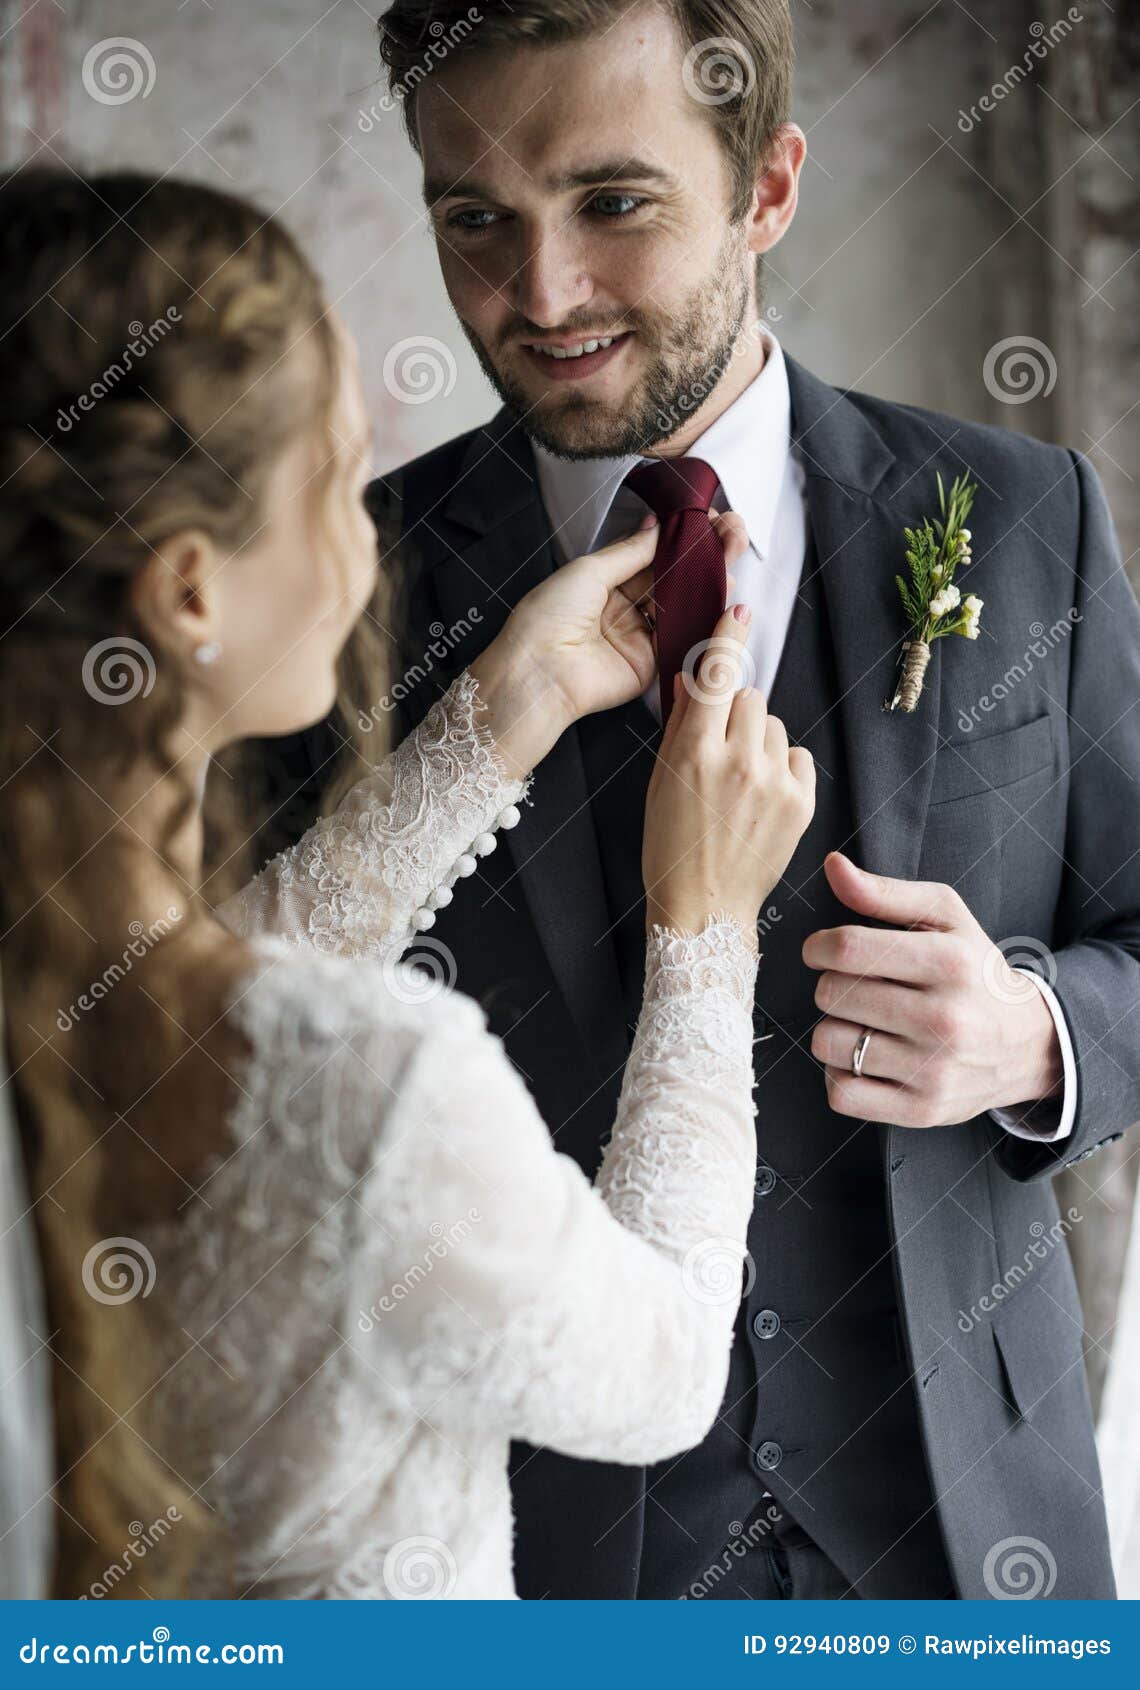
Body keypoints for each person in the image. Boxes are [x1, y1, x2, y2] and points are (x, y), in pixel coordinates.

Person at [346, 0, 1140, 1599]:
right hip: (544, 1556)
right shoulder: (354, 580)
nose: (543, 292)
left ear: (768, 188)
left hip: (971, 1539)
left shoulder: (1021, 512)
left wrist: (1035, 1035)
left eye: (614, 203)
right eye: (475, 220)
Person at [0, 168, 814, 1599]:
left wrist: (499, 716)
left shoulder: (61, 996)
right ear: (191, 593)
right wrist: (706, 928)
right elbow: (670, 1365)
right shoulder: (377, 1090)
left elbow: (214, 978)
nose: (363, 540)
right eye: (336, 472)